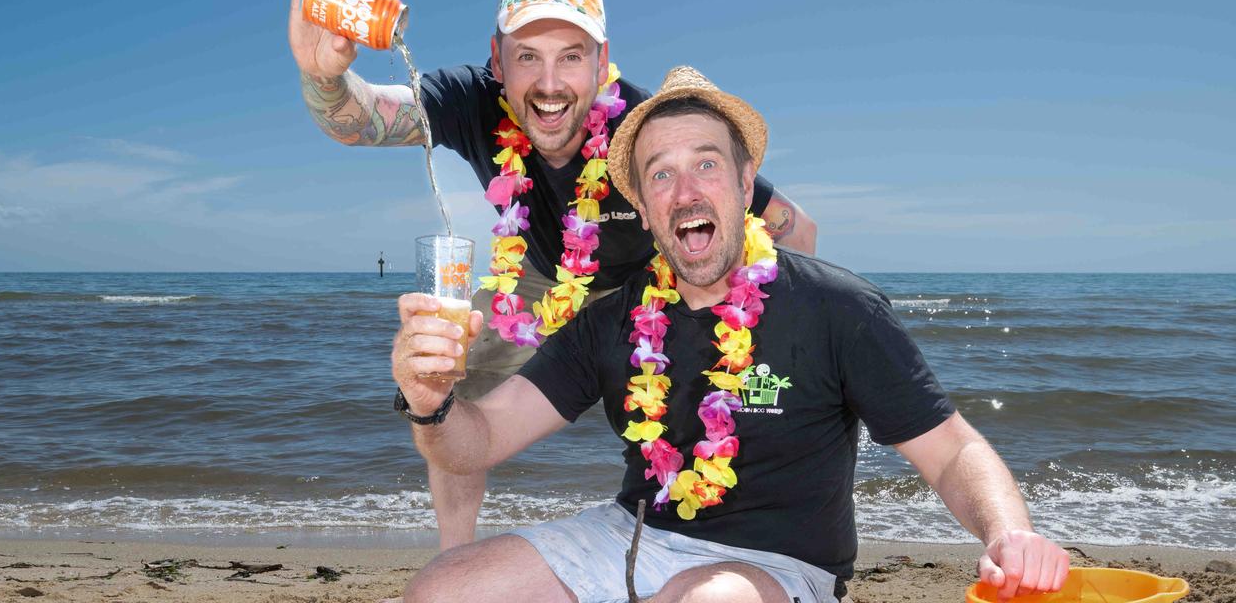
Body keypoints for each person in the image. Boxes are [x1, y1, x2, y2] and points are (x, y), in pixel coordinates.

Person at [390, 67, 1070, 603]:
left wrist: (1011, 535)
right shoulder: (610, 320)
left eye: (706, 164)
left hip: (778, 570)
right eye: (661, 174)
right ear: (645, 209)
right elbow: (476, 440)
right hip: (634, 538)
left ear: (747, 184)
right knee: (440, 590)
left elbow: (952, 451)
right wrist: (429, 399)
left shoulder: (838, 307)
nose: (685, 190)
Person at [287, 0, 818, 548]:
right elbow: (361, 121)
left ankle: (731, 549)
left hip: (658, 282)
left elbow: (794, 228)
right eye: (527, 57)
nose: (548, 84)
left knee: (713, 416)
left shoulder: (649, 129)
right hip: (537, 279)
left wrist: (784, 328)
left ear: (602, 62)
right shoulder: (471, 101)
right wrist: (323, 76)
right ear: (497, 61)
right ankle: (454, 560)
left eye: (570, 57)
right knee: (447, 383)